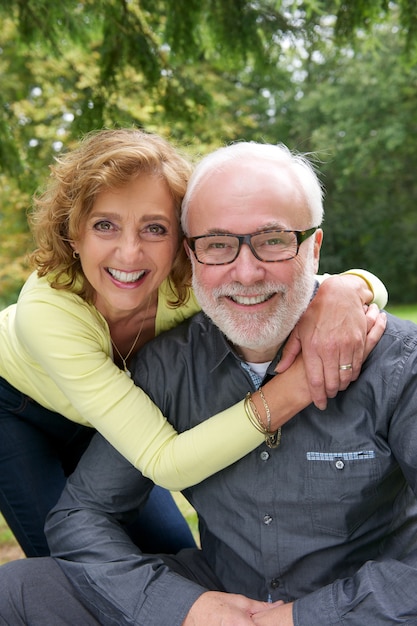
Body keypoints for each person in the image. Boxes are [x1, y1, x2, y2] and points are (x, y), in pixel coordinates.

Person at [1, 140, 411, 626]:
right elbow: (113, 497)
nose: (245, 271)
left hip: (361, 610)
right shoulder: (129, 347)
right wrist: (186, 607)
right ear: (195, 256)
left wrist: (353, 285)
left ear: (313, 248)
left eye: (274, 239)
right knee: (22, 589)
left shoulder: (395, 360)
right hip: (19, 410)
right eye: (218, 244)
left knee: (157, 556)